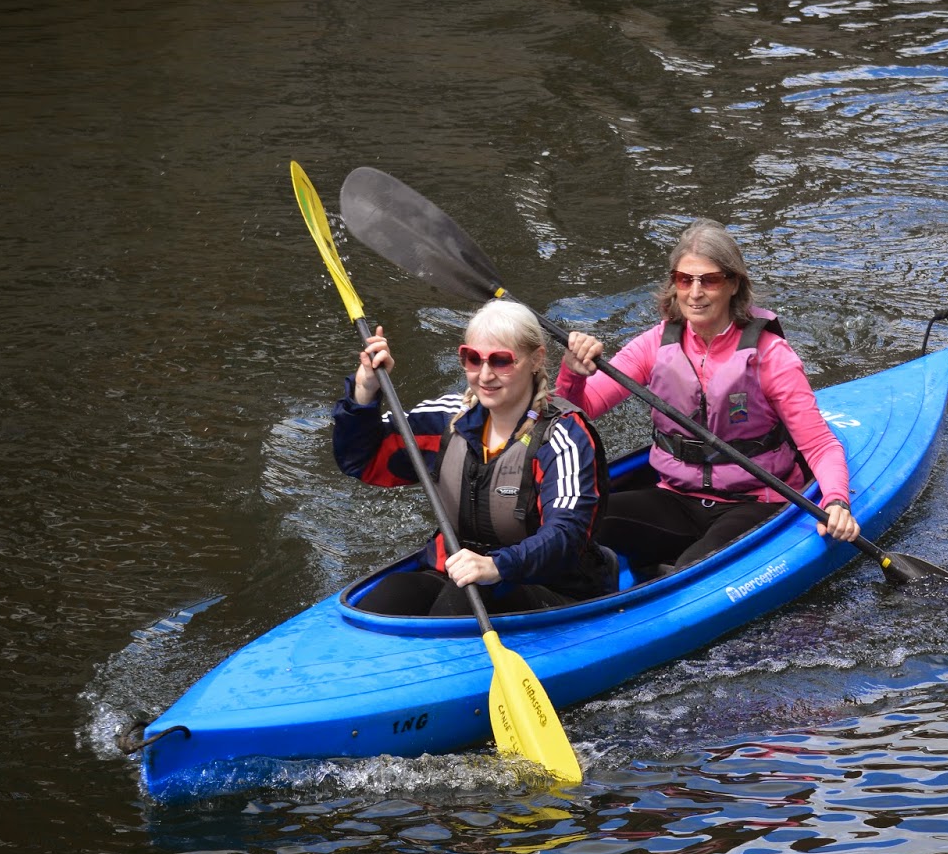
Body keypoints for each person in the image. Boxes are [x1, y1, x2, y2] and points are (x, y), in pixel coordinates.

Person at [555, 218, 860, 576]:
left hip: (755, 501)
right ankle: (602, 582)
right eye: (685, 280)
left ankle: (660, 574)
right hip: (676, 496)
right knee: (575, 523)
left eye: (709, 280)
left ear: (733, 284)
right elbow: (579, 409)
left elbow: (820, 445)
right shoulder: (655, 343)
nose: (695, 293)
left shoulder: (771, 356)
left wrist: (837, 500)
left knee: (691, 571)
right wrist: (573, 372)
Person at [333, 299, 615, 616]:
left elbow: (567, 536)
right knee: (388, 596)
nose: (484, 375)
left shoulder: (563, 437)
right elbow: (361, 459)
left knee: (468, 597)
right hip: (459, 572)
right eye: (472, 359)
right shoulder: (448, 419)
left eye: (500, 361)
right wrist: (365, 391)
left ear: (536, 359)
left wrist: (495, 566)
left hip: (552, 588)